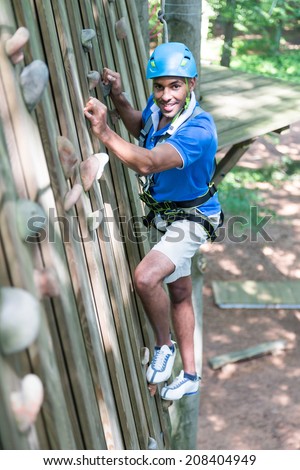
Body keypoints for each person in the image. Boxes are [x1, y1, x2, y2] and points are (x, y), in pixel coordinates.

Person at [84, 42, 222, 401]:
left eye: (174, 86)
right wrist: (118, 99)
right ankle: (190, 375)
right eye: (159, 86)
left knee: (146, 278)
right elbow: (141, 129)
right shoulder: (159, 109)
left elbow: (147, 161)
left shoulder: (199, 130)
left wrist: (103, 133)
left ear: (191, 83)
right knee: (178, 292)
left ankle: (165, 347)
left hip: (193, 217)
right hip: (168, 216)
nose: (165, 95)